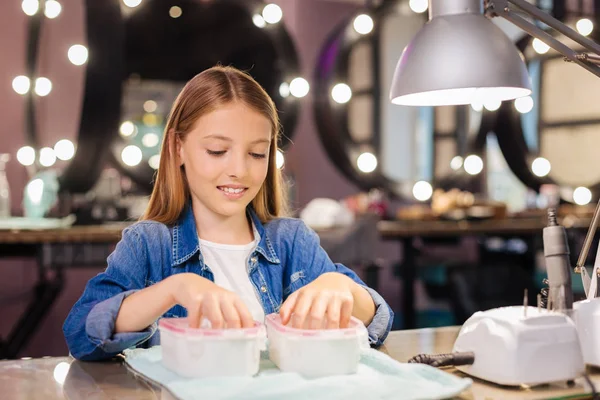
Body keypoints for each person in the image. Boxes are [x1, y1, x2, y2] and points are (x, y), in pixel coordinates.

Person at [63, 66, 393, 361]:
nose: (239, 169)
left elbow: (376, 320)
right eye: (218, 151)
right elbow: (81, 332)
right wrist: (174, 289)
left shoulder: (292, 242)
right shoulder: (148, 245)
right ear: (179, 148)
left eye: (256, 153)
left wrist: (341, 286)